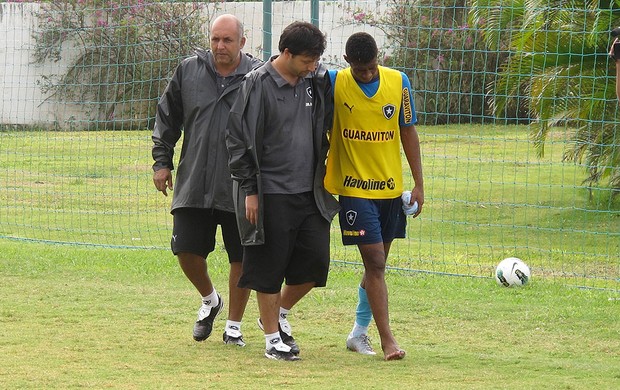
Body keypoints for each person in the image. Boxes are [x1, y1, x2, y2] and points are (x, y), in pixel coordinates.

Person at [226, 21, 339, 361]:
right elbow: (237, 139)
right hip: (269, 191)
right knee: (269, 267)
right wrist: (250, 190)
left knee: (315, 265)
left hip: (310, 192)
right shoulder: (256, 84)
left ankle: (274, 314)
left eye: (316, 59)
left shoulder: (314, 83)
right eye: (307, 60)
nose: (313, 66)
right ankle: (273, 339)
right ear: (287, 53)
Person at [151, 14, 262, 347]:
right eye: (215, 39)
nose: (220, 46)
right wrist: (162, 162)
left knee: (241, 258)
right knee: (185, 250)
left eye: (227, 40)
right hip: (195, 180)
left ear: (242, 42)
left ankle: (234, 327)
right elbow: (167, 116)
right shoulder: (189, 70)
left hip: (241, 185)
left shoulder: (256, 77)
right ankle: (211, 299)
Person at [324, 32, 424, 361]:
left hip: (390, 192)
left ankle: (357, 332)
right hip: (353, 190)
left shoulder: (399, 82)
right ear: (347, 62)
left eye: (370, 67)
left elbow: (408, 131)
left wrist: (419, 184)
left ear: (378, 57)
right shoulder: (334, 83)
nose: (366, 74)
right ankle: (388, 341)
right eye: (359, 69)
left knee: (376, 268)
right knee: (376, 263)